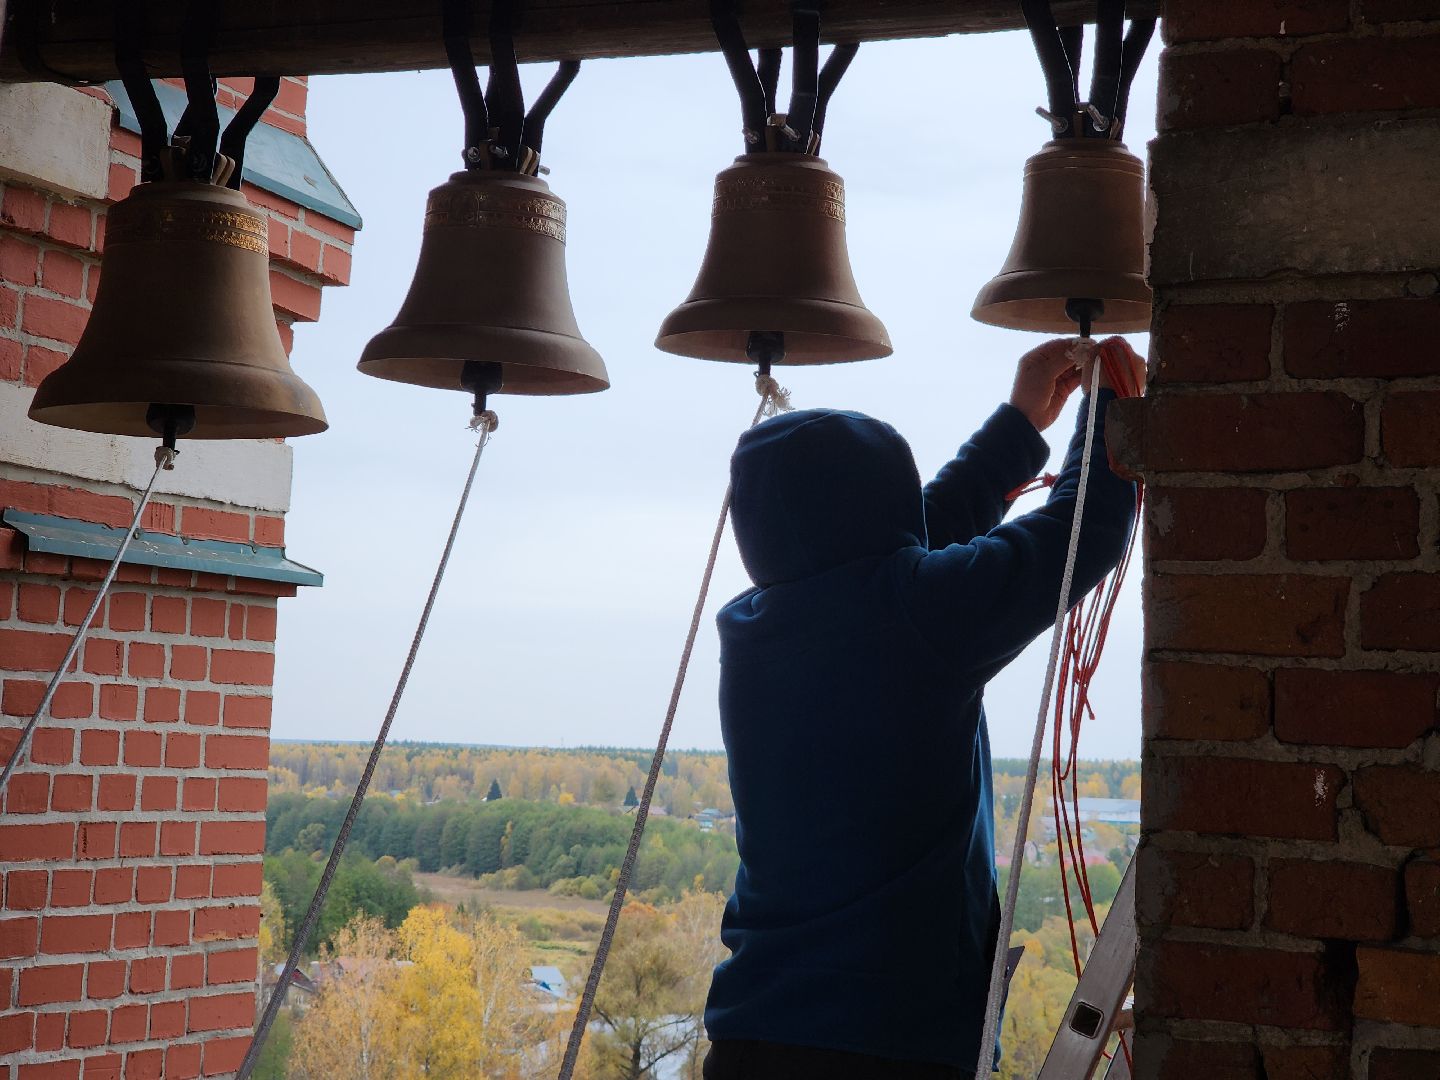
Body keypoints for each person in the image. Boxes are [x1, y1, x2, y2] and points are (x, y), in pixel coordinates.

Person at [701, 336, 1145, 1079]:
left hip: (756, 1031)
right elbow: (1081, 533)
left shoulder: (755, 626)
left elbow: (910, 542)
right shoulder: (912, 614)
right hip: (889, 1044)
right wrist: (1106, 407)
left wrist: (1017, 426)